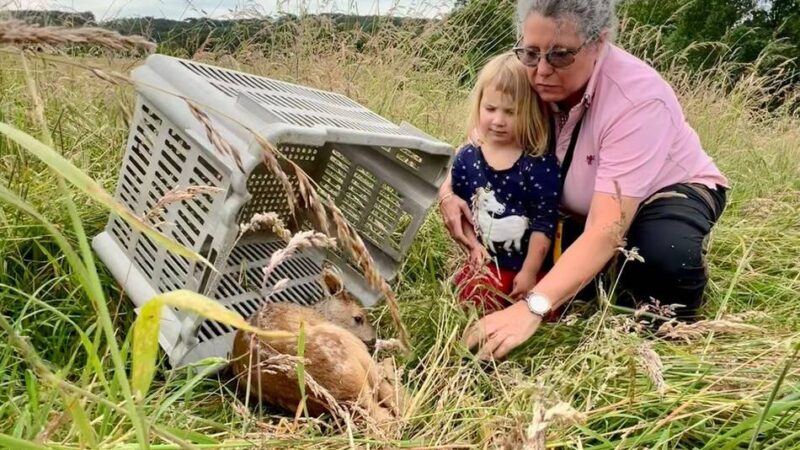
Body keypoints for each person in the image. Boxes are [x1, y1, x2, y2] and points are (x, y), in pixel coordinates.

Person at [439, 0, 729, 360]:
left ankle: (671, 333)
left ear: (599, 42)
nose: (542, 70)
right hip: (578, 206)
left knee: (662, 256)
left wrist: (532, 307)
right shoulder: (525, 70)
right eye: (531, 53)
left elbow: (607, 229)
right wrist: (448, 193)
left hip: (664, 192)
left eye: (560, 55)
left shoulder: (636, 99)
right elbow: (479, 146)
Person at [447, 53, 560, 314]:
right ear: (479, 106)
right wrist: (473, 247)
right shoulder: (467, 157)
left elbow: (544, 222)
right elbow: (463, 206)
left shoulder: (539, 164)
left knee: (537, 314)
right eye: (490, 109)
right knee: (467, 309)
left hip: (528, 267)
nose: (498, 120)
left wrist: (530, 270)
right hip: (485, 265)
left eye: (511, 112)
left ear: (530, 112)